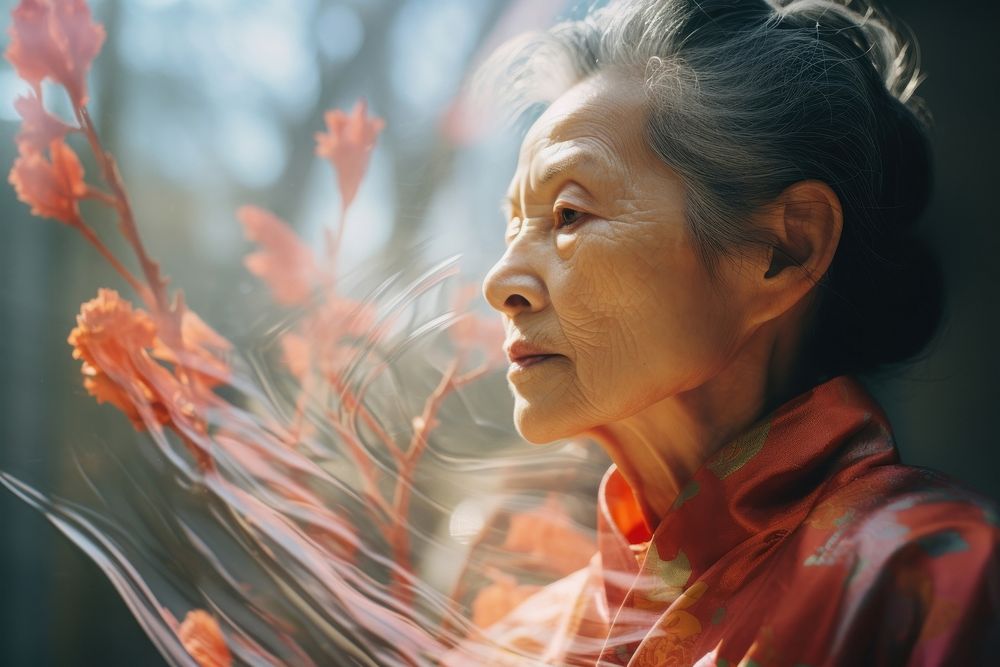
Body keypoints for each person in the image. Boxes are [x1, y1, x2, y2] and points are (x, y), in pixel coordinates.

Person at [446, 0, 1000, 664]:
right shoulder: (511, 647)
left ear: (781, 250)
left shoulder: (933, 579)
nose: (499, 281)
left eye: (568, 213)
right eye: (514, 226)